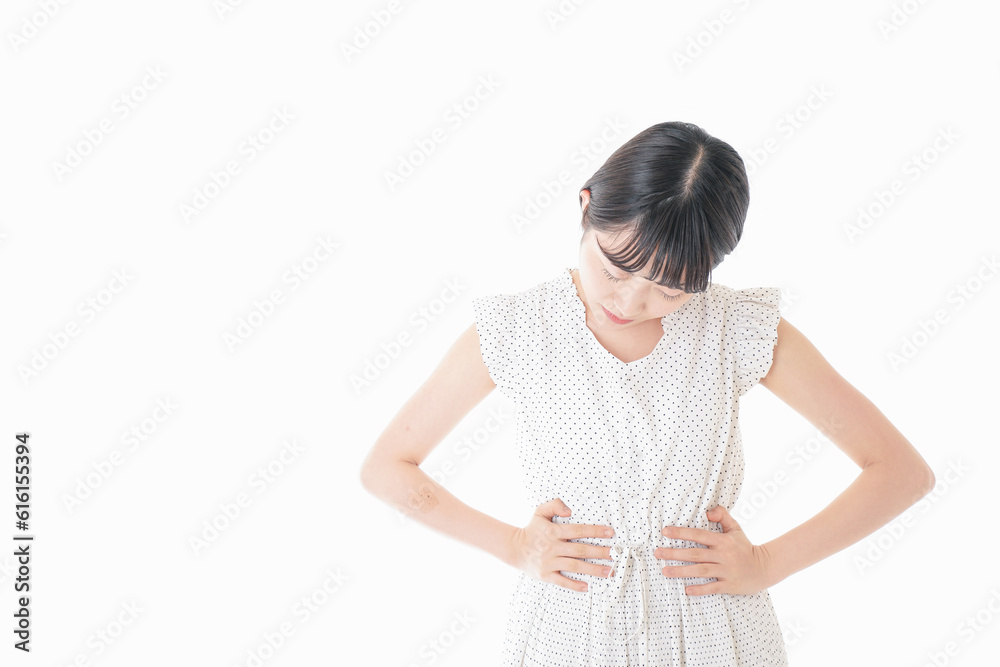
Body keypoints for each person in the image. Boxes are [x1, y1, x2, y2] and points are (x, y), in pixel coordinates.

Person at [360, 121, 936, 666]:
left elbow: (900, 472)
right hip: (567, 634)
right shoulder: (518, 330)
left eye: (670, 289)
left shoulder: (736, 327)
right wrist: (513, 545)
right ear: (586, 206)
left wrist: (767, 563)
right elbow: (388, 467)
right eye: (615, 268)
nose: (629, 302)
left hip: (716, 634)